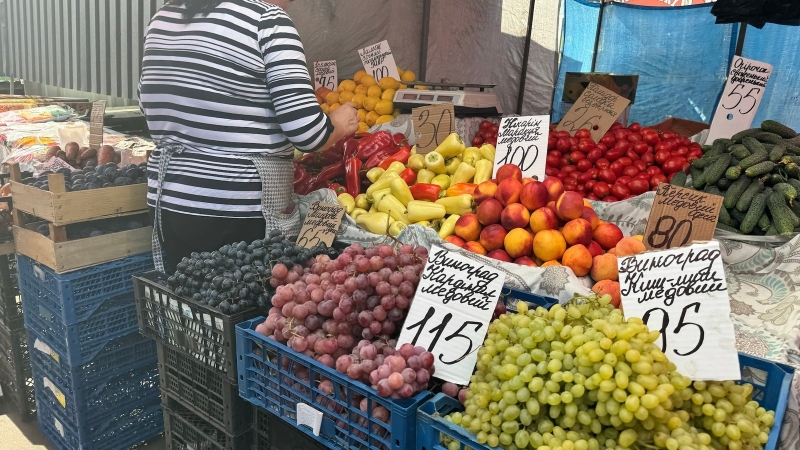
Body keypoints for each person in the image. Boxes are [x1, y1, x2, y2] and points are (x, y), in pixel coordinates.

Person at [139, 0, 358, 272]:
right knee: (243, 305)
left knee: (190, 304)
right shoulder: (266, 20)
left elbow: (149, 105)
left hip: (169, 200)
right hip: (238, 211)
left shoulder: (164, 18)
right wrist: (338, 123)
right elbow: (307, 133)